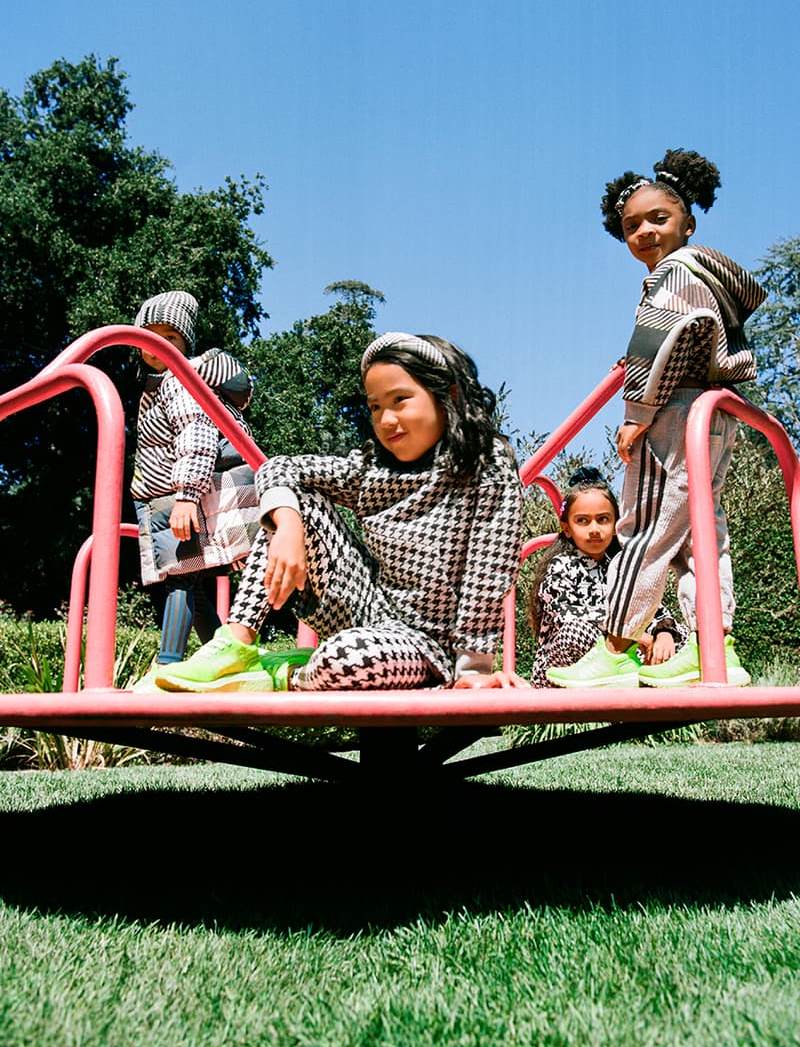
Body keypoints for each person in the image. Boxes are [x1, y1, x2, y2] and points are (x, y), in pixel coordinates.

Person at [153, 331, 527, 693]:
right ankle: (237, 644)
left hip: (429, 648)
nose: (386, 420)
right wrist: (287, 525)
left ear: (449, 395)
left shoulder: (484, 464)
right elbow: (279, 467)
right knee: (292, 503)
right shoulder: (371, 469)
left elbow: (488, 570)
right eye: (375, 407)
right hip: (365, 608)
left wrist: (475, 668)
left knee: (342, 659)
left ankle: (285, 673)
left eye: (400, 400)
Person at [547, 149, 767, 689]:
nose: (644, 231)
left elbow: (659, 342)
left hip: (673, 413)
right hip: (711, 414)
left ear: (688, 223)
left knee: (643, 526)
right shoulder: (708, 275)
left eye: (658, 219)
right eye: (631, 226)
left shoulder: (670, 275)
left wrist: (635, 413)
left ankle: (616, 648)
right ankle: (713, 645)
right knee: (700, 536)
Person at [129, 290, 261, 691]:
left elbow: (197, 435)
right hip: (171, 496)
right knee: (191, 583)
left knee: (181, 578)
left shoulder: (178, 380)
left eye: (170, 338)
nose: (158, 346)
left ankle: (166, 662)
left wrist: (187, 494)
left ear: (185, 343)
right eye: (150, 336)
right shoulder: (156, 385)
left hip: (187, 496)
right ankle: (220, 660)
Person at [528, 467, 686, 687]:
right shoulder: (560, 566)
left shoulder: (621, 566)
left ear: (615, 526)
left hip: (621, 652)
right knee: (575, 632)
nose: (594, 529)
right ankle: (612, 671)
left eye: (602, 520)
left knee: (683, 635)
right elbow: (568, 616)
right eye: (583, 521)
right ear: (566, 528)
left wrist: (664, 633)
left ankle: (637, 674)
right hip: (572, 660)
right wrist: (627, 632)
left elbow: (652, 607)